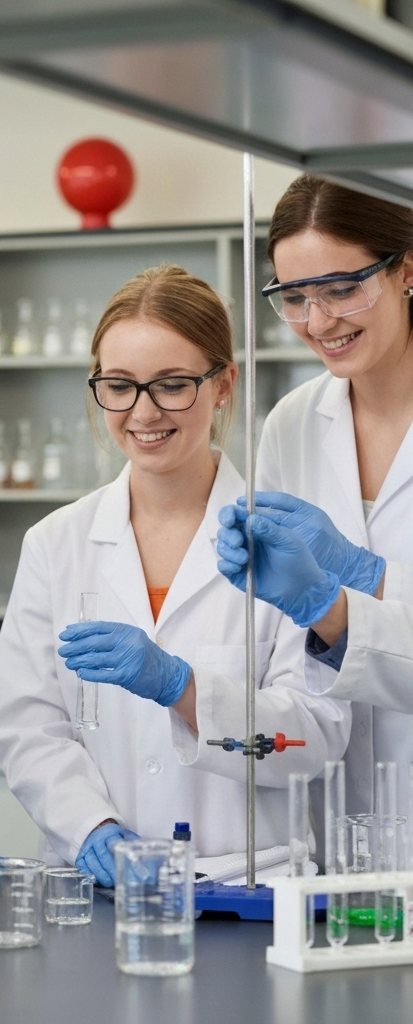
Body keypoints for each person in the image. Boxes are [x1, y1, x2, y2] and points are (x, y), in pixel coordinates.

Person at [0, 266, 349, 887]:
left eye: (173, 385)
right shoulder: (55, 543)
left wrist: (183, 689)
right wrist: (90, 828)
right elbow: (28, 726)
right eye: (119, 386)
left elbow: (310, 741)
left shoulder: (285, 544)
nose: (143, 412)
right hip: (96, 888)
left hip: (245, 889)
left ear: (223, 384)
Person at [215, 174, 413, 813]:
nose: (318, 321)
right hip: (333, 808)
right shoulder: (293, 422)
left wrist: (361, 580)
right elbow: (283, 648)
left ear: (406, 269)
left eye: (342, 289)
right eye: (294, 296)